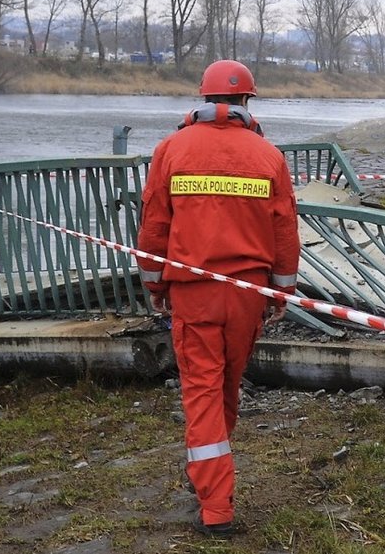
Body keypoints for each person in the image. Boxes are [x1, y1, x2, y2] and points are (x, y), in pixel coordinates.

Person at [137, 59, 301, 539]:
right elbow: (284, 231)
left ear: (204, 98)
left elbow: (154, 227)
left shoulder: (171, 150)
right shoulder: (268, 155)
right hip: (248, 294)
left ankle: (215, 506)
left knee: (203, 393)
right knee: (225, 388)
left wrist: (155, 285)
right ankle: (211, 474)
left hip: (195, 294)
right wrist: (280, 293)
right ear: (247, 100)